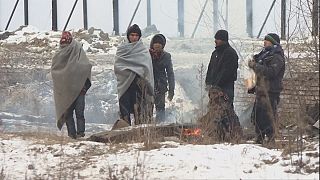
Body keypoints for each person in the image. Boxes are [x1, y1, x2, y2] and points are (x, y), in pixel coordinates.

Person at [51, 31, 92, 139]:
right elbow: (55, 71)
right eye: (63, 46)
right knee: (68, 113)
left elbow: (86, 66)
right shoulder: (59, 56)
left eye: (66, 45)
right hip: (66, 91)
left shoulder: (78, 51)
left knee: (79, 112)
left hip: (80, 89)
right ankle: (72, 134)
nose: (65, 48)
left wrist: (83, 85)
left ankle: (81, 133)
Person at [248, 33, 285, 144]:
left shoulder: (277, 57)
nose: (264, 42)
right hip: (261, 90)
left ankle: (271, 139)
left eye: (267, 41)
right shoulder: (264, 55)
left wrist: (255, 66)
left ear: (273, 42)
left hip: (271, 91)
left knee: (268, 116)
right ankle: (259, 137)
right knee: (258, 116)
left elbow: (271, 72)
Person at [114, 24, 154, 125]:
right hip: (125, 84)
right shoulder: (122, 49)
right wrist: (129, 72)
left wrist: (138, 74)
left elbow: (146, 68)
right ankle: (124, 131)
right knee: (125, 110)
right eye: (132, 35)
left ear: (139, 36)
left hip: (139, 84)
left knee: (140, 110)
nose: (134, 37)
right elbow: (118, 67)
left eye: (136, 35)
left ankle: (140, 134)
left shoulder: (143, 50)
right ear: (128, 36)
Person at [205, 30, 238, 108]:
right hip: (214, 90)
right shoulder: (215, 53)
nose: (215, 41)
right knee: (213, 112)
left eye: (218, 39)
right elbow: (210, 69)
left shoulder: (230, 53)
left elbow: (227, 73)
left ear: (224, 40)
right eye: (215, 38)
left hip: (225, 89)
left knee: (225, 112)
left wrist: (217, 86)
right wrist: (208, 83)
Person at [149, 34, 175, 122]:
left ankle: (160, 129)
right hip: (148, 86)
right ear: (152, 44)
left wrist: (171, 89)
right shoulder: (147, 55)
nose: (157, 45)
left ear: (163, 45)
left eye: (160, 43)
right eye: (155, 42)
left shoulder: (166, 56)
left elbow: (170, 73)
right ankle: (147, 131)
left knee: (160, 111)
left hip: (161, 87)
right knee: (147, 110)